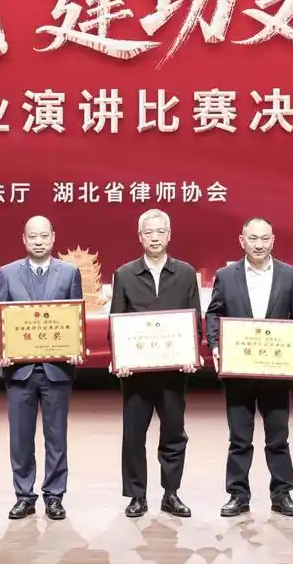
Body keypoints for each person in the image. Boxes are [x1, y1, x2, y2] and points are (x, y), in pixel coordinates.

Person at [204, 217, 293, 518]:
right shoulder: (226, 276)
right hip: (238, 371)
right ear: (242, 241)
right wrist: (215, 345)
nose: (259, 244)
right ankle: (238, 495)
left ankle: (282, 494)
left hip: (276, 372)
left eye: (265, 238)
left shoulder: (289, 274)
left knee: (278, 438)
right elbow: (214, 315)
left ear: (273, 240)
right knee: (239, 439)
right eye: (253, 238)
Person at [0, 215, 86, 521]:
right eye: (33, 236)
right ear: (24, 240)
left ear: (53, 238)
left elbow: (75, 316)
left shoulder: (69, 273)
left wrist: (76, 346)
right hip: (19, 371)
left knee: (56, 438)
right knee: (20, 439)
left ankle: (54, 496)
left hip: (57, 371)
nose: (39, 242)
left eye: (44, 236)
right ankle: (24, 496)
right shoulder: (8, 273)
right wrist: (1, 349)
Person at [108, 208, 203, 518]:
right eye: (148, 232)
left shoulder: (186, 273)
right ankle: (137, 496)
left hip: (174, 373)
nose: (154, 237)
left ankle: (171, 493)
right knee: (133, 436)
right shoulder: (125, 274)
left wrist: (192, 353)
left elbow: (195, 320)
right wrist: (119, 359)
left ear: (169, 235)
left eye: (160, 231)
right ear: (140, 237)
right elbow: (116, 321)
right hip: (135, 374)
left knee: (174, 434)